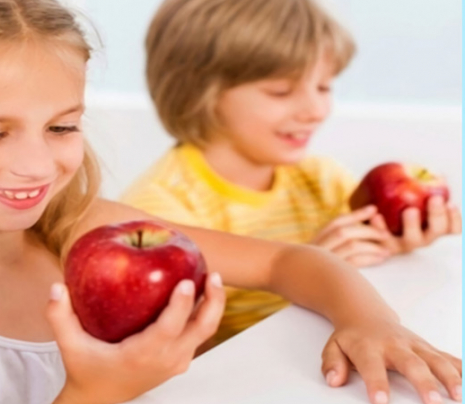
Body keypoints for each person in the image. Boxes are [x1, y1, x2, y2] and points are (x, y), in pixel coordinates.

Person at [0, 1, 461, 404]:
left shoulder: (75, 228)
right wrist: (98, 392)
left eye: (62, 126)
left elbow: (292, 262)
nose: (37, 163)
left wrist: (371, 322)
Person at [121, 0, 461, 344]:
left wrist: (393, 242)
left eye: (324, 87)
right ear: (199, 93)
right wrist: (314, 278)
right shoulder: (159, 213)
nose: (316, 111)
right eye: (281, 91)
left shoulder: (321, 179)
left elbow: (373, 273)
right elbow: (188, 355)